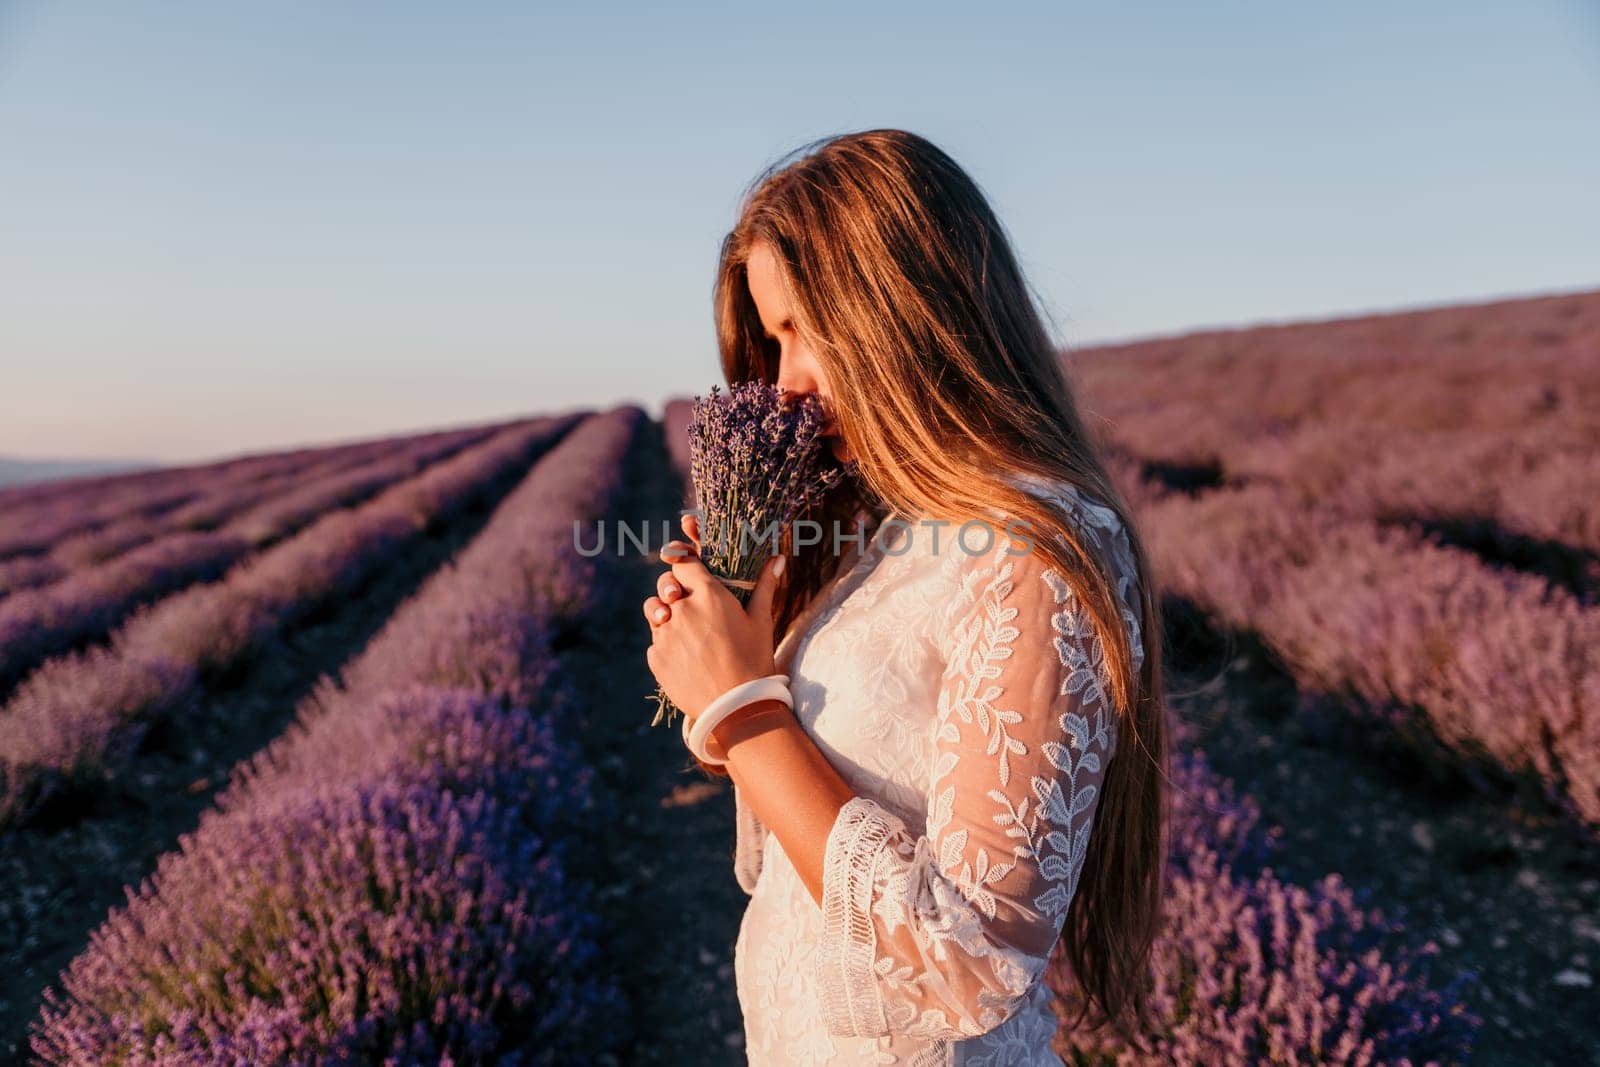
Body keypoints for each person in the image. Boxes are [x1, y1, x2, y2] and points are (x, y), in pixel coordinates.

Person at [643, 128, 1168, 1066]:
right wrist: (735, 667)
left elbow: (972, 964)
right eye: (772, 340)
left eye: (805, 328)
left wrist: (746, 711)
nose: (787, 380)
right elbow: (818, 809)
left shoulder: (1038, 547)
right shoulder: (879, 526)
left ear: (904, 309)